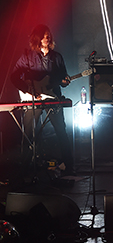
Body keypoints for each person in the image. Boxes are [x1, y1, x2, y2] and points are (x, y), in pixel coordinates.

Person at [10, 24, 75, 176]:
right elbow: (14, 76)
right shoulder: (27, 56)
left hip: (53, 98)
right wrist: (28, 90)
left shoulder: (57, 57)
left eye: (49, 35)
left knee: (61, 131)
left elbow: (62, 80)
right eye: (44, 35)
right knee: (28, 134)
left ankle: (69, 165)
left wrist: (65, 82)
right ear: (37, 38)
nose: (47, 38)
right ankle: (26, 169)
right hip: (33, 99)